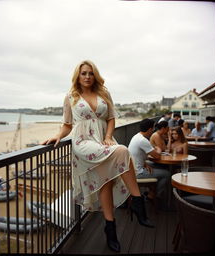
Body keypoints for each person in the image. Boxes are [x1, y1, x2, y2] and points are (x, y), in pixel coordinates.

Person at [42, 60, 153, 253]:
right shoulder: (71, 96)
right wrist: (58, 136)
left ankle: (110, 230)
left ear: (95, 76)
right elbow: (67, 124)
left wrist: (108, 137)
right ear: (78, 75)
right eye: (83, 73)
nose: (87, 77)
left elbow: (110, 118)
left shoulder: (104, 93)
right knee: (123, 151)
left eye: (90, 73)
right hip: (83, 142)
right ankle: (137, 201)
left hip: (103, 140)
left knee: (105, 182)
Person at [128, 119, 171, 202]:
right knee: (166, 173)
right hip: (138, 173)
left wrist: (145, 164)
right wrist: (158, 149)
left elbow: (137, 155)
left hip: (133, 169)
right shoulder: (143, 140)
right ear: (149, 129)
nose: (153, 131)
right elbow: (157, 156)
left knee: (159, 167)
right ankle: (155, 197)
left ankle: (151, 192)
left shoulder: (136, 136)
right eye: (153, 129)